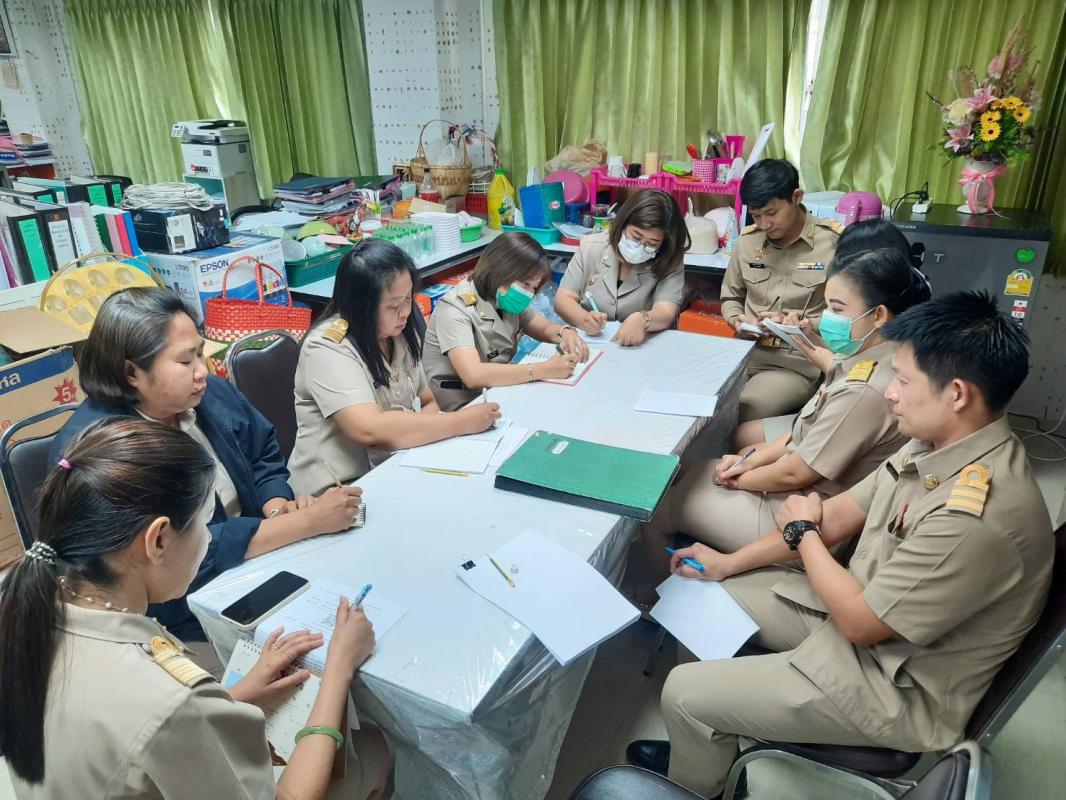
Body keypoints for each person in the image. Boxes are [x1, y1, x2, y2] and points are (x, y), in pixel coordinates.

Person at [626, 292, 1053, 798]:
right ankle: (704, 749)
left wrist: (802, 533)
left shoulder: (976, 515)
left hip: (892, 683)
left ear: (956, 394)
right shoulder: (937, 442)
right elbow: (837, 516)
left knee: (682, 692)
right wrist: (728, 563)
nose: (890, 393)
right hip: (859, 611)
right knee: (695, 592)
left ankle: (702, 775)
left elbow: (858, 620)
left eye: (903, 381)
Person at [0, 419, 389, 799]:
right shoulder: (166, 700)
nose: (207, 538)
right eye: (204, 523)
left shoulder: (31, 610)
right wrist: (338, 667)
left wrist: (232, 698)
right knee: (375, 748)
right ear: (158, 540)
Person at [49, 288, 363, 642]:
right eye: (186, 362)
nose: (203, 371)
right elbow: (183, 554)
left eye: (201, 352)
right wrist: (306, 522)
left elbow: (261, 451)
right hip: (177, 615)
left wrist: (276, 506)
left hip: (259, 562)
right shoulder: (110, 454)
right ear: (131, 372)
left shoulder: (207, 394)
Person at [644, 246, 930, 562]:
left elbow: (796, 474)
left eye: (837, 309)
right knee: (684, 469)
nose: (828, 318)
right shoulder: (873, 356)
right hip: (800, 492)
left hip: (803, 515)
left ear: (878, 315)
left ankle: (660, 587)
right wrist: (747, 464)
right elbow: (802, 433)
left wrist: (738, 479)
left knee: (657, 506)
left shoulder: (865, 390)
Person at [288, 239, 501, 495]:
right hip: (337, 490)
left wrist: (424, 439)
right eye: (393, 305)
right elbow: (369, 429)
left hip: (394, 468)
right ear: (361, 305)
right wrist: (460, 422)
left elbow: (428, 400)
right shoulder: (327, 347)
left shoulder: (397, 334)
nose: (405, 312)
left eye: (408, 299)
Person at [719, 158, 842, 422]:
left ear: (796, 197)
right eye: (756, 215)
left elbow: (847, 316)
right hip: (744, 352)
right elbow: (730, 297)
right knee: (701, 401)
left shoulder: (832, 243)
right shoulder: (748, 242)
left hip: (796, 361)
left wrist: (803, 324)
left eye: (772, 213)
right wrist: (736, 319)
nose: (765, 224)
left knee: (740, 410)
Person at [422, 231, 587, 411]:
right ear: (501, 271)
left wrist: (565, 332)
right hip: (460, 403)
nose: (529, 293)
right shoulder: (455, 308)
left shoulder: (505, 299)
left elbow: (543, 327)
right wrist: (543, 370)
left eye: (534, 287)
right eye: (526, 284)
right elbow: (473, 375)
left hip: (495, 390)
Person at [554, 189, 690, 346]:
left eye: (652, 243)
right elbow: (563, 298)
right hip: (593, 344)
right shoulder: (591, 246)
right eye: (636, 237)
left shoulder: (669, 259)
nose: (640, 247)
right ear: (623, 224)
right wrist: (583, 319)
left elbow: (666, 311)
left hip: (643, 345)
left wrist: (644, 319)